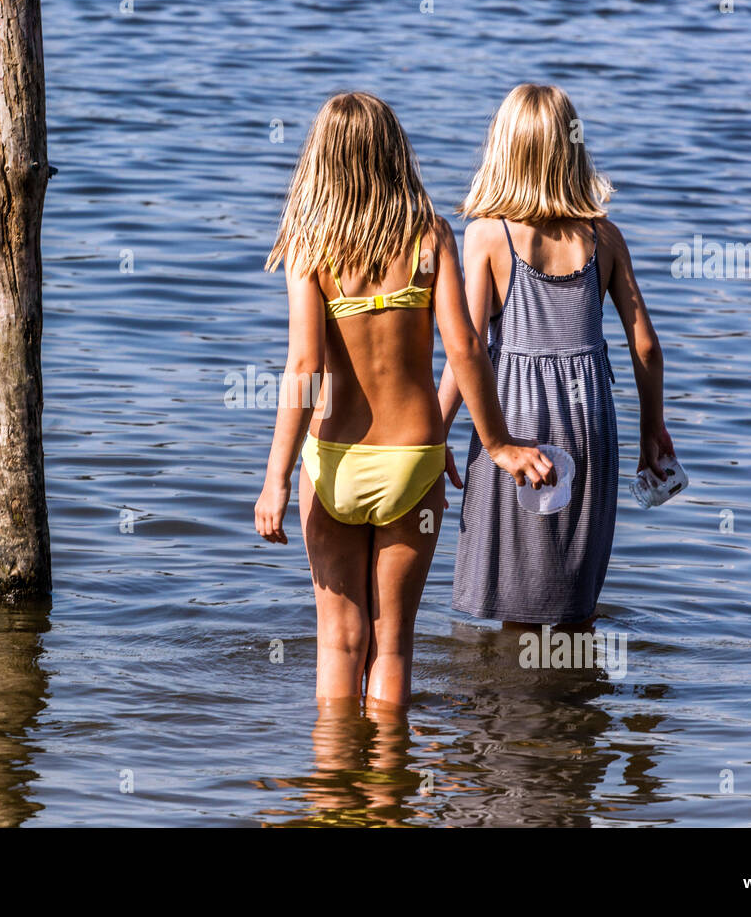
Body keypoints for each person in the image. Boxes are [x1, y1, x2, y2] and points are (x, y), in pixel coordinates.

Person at [254, 91, 554, 708]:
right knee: (393, 642)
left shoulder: (309, 247)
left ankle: (333, 788)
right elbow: (466, 347)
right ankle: (389, 796)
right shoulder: (430, 236)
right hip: (413, 459)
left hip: (334, 459)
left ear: (319, 160)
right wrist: (496, 443)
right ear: (395, 152)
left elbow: (304, 366)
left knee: (339, 640)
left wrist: (275, 478)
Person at [438, 83, 676, 627]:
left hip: (512, 421)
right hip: (589, 423)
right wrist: (652, 429)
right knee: (573, 597)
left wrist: (434, 437)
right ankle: (572, 699)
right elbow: (646, 345)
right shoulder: (606, 238)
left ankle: (519, 701)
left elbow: (465, 349)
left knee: (519, 599)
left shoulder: (486, 237)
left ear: (503, 151)